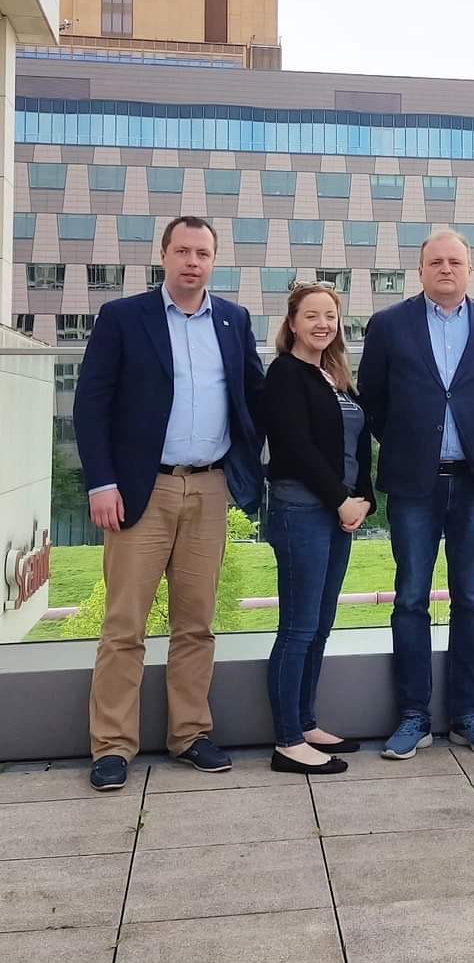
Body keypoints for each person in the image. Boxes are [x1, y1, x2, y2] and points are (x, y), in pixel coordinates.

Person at [73, 216, 264, 791]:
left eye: (202, 253)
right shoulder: (123, 317)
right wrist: (101, 481)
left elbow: (254, 396)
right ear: (164, 256)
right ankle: (111, 746)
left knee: (197, 622)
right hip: (139, 489)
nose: (192, 262)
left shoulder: (233, 319)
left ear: (214, 260)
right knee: (124, 623)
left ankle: (190, 733)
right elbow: (91, 403)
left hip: (209, 488)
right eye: (182, 251)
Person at [359, 229, 474, 759]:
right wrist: (413, 445)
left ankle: (468, 714)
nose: (446, 269)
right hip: (413, 484)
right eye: (435, 262)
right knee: (410, 598)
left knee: (472, 599)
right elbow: (373, 402)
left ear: (470, 270)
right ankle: (413, 716)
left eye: (455, 262)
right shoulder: (388, 325)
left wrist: (466, 440)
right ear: (420, 270)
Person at [263, 283, 376, 774]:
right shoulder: (286, 374)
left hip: (339, 514)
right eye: (311, 316)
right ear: (292, 323)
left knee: (321, 626)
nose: (322, 324)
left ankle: (306, 723)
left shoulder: (336, 377)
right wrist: (339, 500)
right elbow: (295, 448)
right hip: (302, 511)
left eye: (330, 315)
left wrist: (364, 499)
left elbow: (359, 445)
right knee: (298, 628)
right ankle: (287, 741)